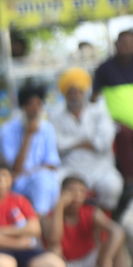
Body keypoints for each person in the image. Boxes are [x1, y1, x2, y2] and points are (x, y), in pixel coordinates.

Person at [47, 176, 128, 267]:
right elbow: (54, 240)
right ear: (62, 193)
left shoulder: (90, 211)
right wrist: (59, 206)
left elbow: (118, 231)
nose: (77, 196)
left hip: (90, 263)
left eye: (81, 192)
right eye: (72, 192)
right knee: (54, 249)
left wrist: (107, 259)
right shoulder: (51, 216)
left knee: (117, 246)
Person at [48, 68, 121, 211]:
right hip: (70, 168)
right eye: (71, 92)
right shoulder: (55, 117)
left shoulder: (99, 112)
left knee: (113, 185)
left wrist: (71, 142)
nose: (75, 95)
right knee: (52, 184)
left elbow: (103, 143)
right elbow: (57, 144)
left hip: (100, 168)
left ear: (84, 92)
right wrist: (85, 141)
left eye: (78, 91)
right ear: (65, 94)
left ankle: (101, 218)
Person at [0, 82, 60, 219]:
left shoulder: (47, 128)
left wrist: (30, 171)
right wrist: (28, 136)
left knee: (43, 179)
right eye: (30, 104)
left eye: (38, 104)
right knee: (41, 180)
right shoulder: (7, 130)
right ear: (23, 106)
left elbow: (52, 164)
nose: (35, 109)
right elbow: (15, 168)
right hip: (18, 184)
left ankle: (40, 220)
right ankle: (39, 222)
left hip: (43, 178)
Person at [93, 30, 133, 182]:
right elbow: (94, 97)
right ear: (116, 44)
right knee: (123, 135)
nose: (126, 47)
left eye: (130, 44)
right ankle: (129, 179)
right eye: (123, 43)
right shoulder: (105, 68)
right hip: (116, 122)